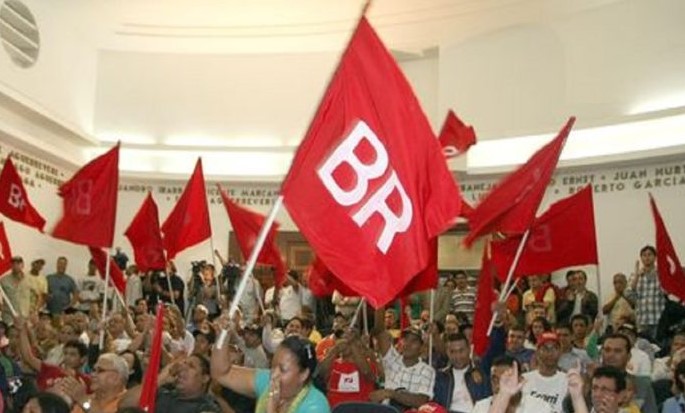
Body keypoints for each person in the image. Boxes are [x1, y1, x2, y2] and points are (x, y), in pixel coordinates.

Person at [211, 328, 330, 413]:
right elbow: (221, 373)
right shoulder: (267, 380)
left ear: (304, 374)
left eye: (283, 370)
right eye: (272, 366)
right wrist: (223, 335)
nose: (274, 374)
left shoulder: (317, 406)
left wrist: (271, 409)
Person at [433, 333, 490, 412]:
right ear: (447, 352)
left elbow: (487, 402)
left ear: (469, 349)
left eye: (461, 350)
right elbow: (435, 405)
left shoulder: (482, 373)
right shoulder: (440, 376)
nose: (457, 356)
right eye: (452, 351)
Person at [471, 355, 549, 413]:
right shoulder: (480, 407)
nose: (500, 385)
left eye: (507, 380)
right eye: (495, 379)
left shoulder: (540, 407)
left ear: (520, 380)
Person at [629, 245, 665, 340]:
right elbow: (629, 294)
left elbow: (667, 293)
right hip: (642, 319)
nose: (647, 257)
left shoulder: (661, 274)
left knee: (658, 346)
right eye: (644, 255)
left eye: (650, 255)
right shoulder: (635, 275)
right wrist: (637, 276)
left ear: (655, 257)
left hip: (658, 318)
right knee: (644, 346)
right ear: (641, 258)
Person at [1, 256, 32, 322]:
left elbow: (37, 295)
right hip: (9, 317)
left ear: (23, 265)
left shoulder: (29, 279)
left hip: (25, 316)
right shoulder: (3, 280)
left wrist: (34, 309)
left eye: (18, 263)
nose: (16, 266)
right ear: (10, 265)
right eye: (13, 263)